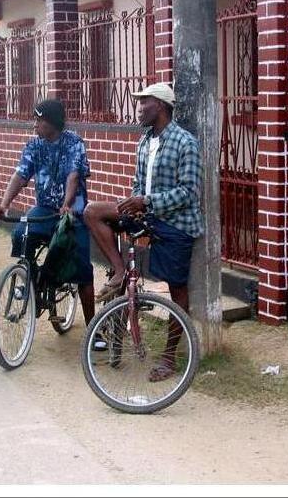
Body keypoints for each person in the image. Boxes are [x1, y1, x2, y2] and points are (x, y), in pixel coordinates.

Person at [84, 82, 203, 382]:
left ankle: (169, 357)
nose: (138, 108)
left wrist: (146, 201)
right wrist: (135, 203)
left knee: (177, 289)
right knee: (92, 212)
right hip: (146, 214)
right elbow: (138, 184)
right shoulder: (144, 141)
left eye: (144, 103)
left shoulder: (185, 142)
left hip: (176, 222)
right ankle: (120, 269)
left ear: (160, 106)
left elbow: (189, 193)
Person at [0, 99, 96, 330]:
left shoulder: (74, 143)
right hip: (46, 208)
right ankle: (31, 278)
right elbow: (20, 174)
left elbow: (74, 174)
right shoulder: (34, 146)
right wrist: (4, 203)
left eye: (38, 120)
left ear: (51, 122)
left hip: (73, 211)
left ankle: (93, 330)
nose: (34, 125)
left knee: (82, 270)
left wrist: (67, 204)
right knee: (21, 234)